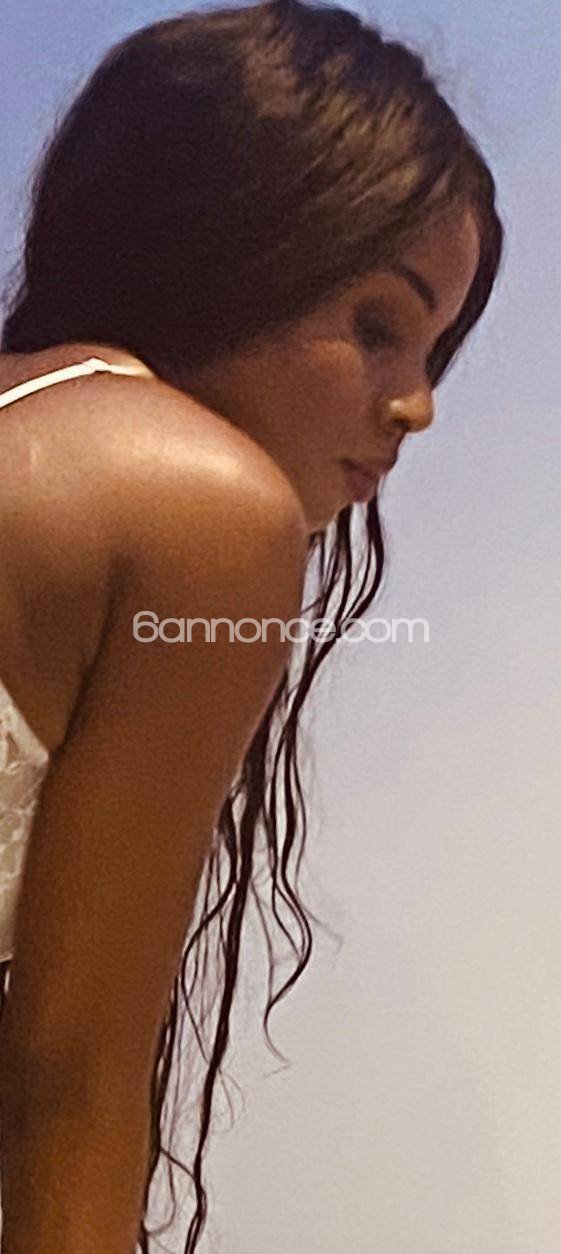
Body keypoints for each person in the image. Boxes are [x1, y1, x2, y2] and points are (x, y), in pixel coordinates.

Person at [0, 1, 504, 1250]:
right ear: (219, 251)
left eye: (434, 349)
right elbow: (70, 1089)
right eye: (377, 326)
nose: (418, 405)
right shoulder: (199, 508)